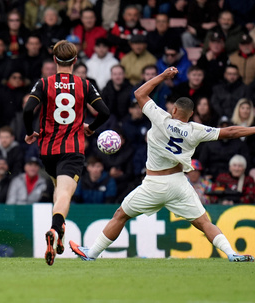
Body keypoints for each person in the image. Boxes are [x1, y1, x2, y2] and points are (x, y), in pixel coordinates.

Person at [70, 66, 255, 262]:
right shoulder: (196, 130)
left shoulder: (160, 118)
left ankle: (92, 253)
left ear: (174, 109)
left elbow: (139, 93)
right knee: (204, 222)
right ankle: (231, 253)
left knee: (120, 215)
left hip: (154, 184)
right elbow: (231, 132)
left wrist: (163, 76)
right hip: (178, 184)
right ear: (191, 114)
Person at [23, 40, 110, 266]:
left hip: (47, 150)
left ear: (54, 60)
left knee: (57, 190)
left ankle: (59, 231)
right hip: (72, 149)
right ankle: (55, 226)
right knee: (64, 193)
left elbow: (26, 109)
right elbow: (104, 112)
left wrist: (29, 132)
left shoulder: (44, 83)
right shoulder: (84, 85)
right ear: (75, 60)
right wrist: (91, 127)